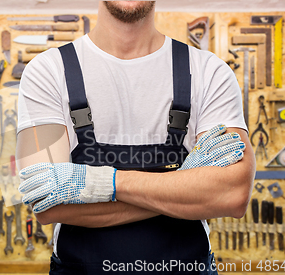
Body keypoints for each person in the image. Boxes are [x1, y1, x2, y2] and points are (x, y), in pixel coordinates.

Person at [15, 1, 256, 274]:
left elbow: (233, 194)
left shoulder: (209, 72)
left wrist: (102, 183)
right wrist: (185, 183)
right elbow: (47, 203)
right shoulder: (47, 72)